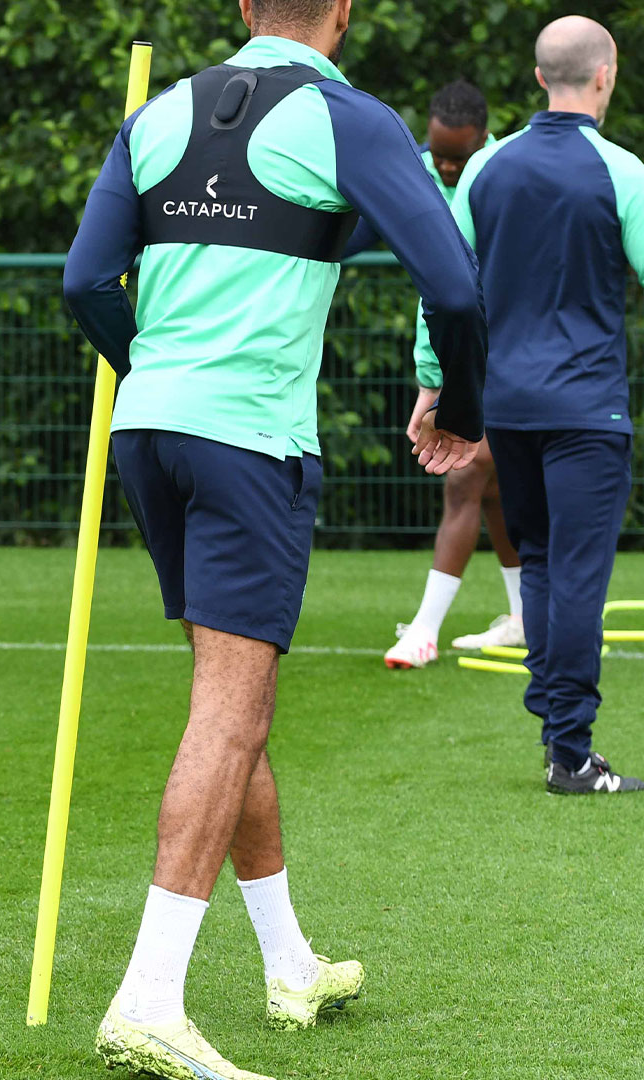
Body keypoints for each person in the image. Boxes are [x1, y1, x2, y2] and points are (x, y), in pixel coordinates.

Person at [63, 0, 488, 1074]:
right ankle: (150, 998)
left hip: (149, 430)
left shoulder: (158, 113)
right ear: (342, 11)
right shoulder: (349, 117)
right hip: (249, 442)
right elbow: (452, 284)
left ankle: (288, 959)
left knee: (230, 696)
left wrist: (154, 367)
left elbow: (83, 283)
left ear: (246, 6)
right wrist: (462, 409)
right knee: (231, 708)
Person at [450, 16, 644, 794]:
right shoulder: (623, 172)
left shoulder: (484, 171)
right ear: (607, 74)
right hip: (587, 412)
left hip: (510, 408)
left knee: (538, 562)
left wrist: (439, 389)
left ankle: (556, 728)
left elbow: (450, 292)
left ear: (539, 78)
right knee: (577, 576)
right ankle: (570, 748)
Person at [374, 80, 525, 667]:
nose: (444, 167)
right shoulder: (422, 174)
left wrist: (434, 382)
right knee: (491, 492)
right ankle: (525, 618)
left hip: (499, 356)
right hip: (475, 356)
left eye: (456, 158)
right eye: (436, 154)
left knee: (465, 479)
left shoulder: (498, 174)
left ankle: (424, 632)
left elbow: (451, 296)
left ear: (483, 140)